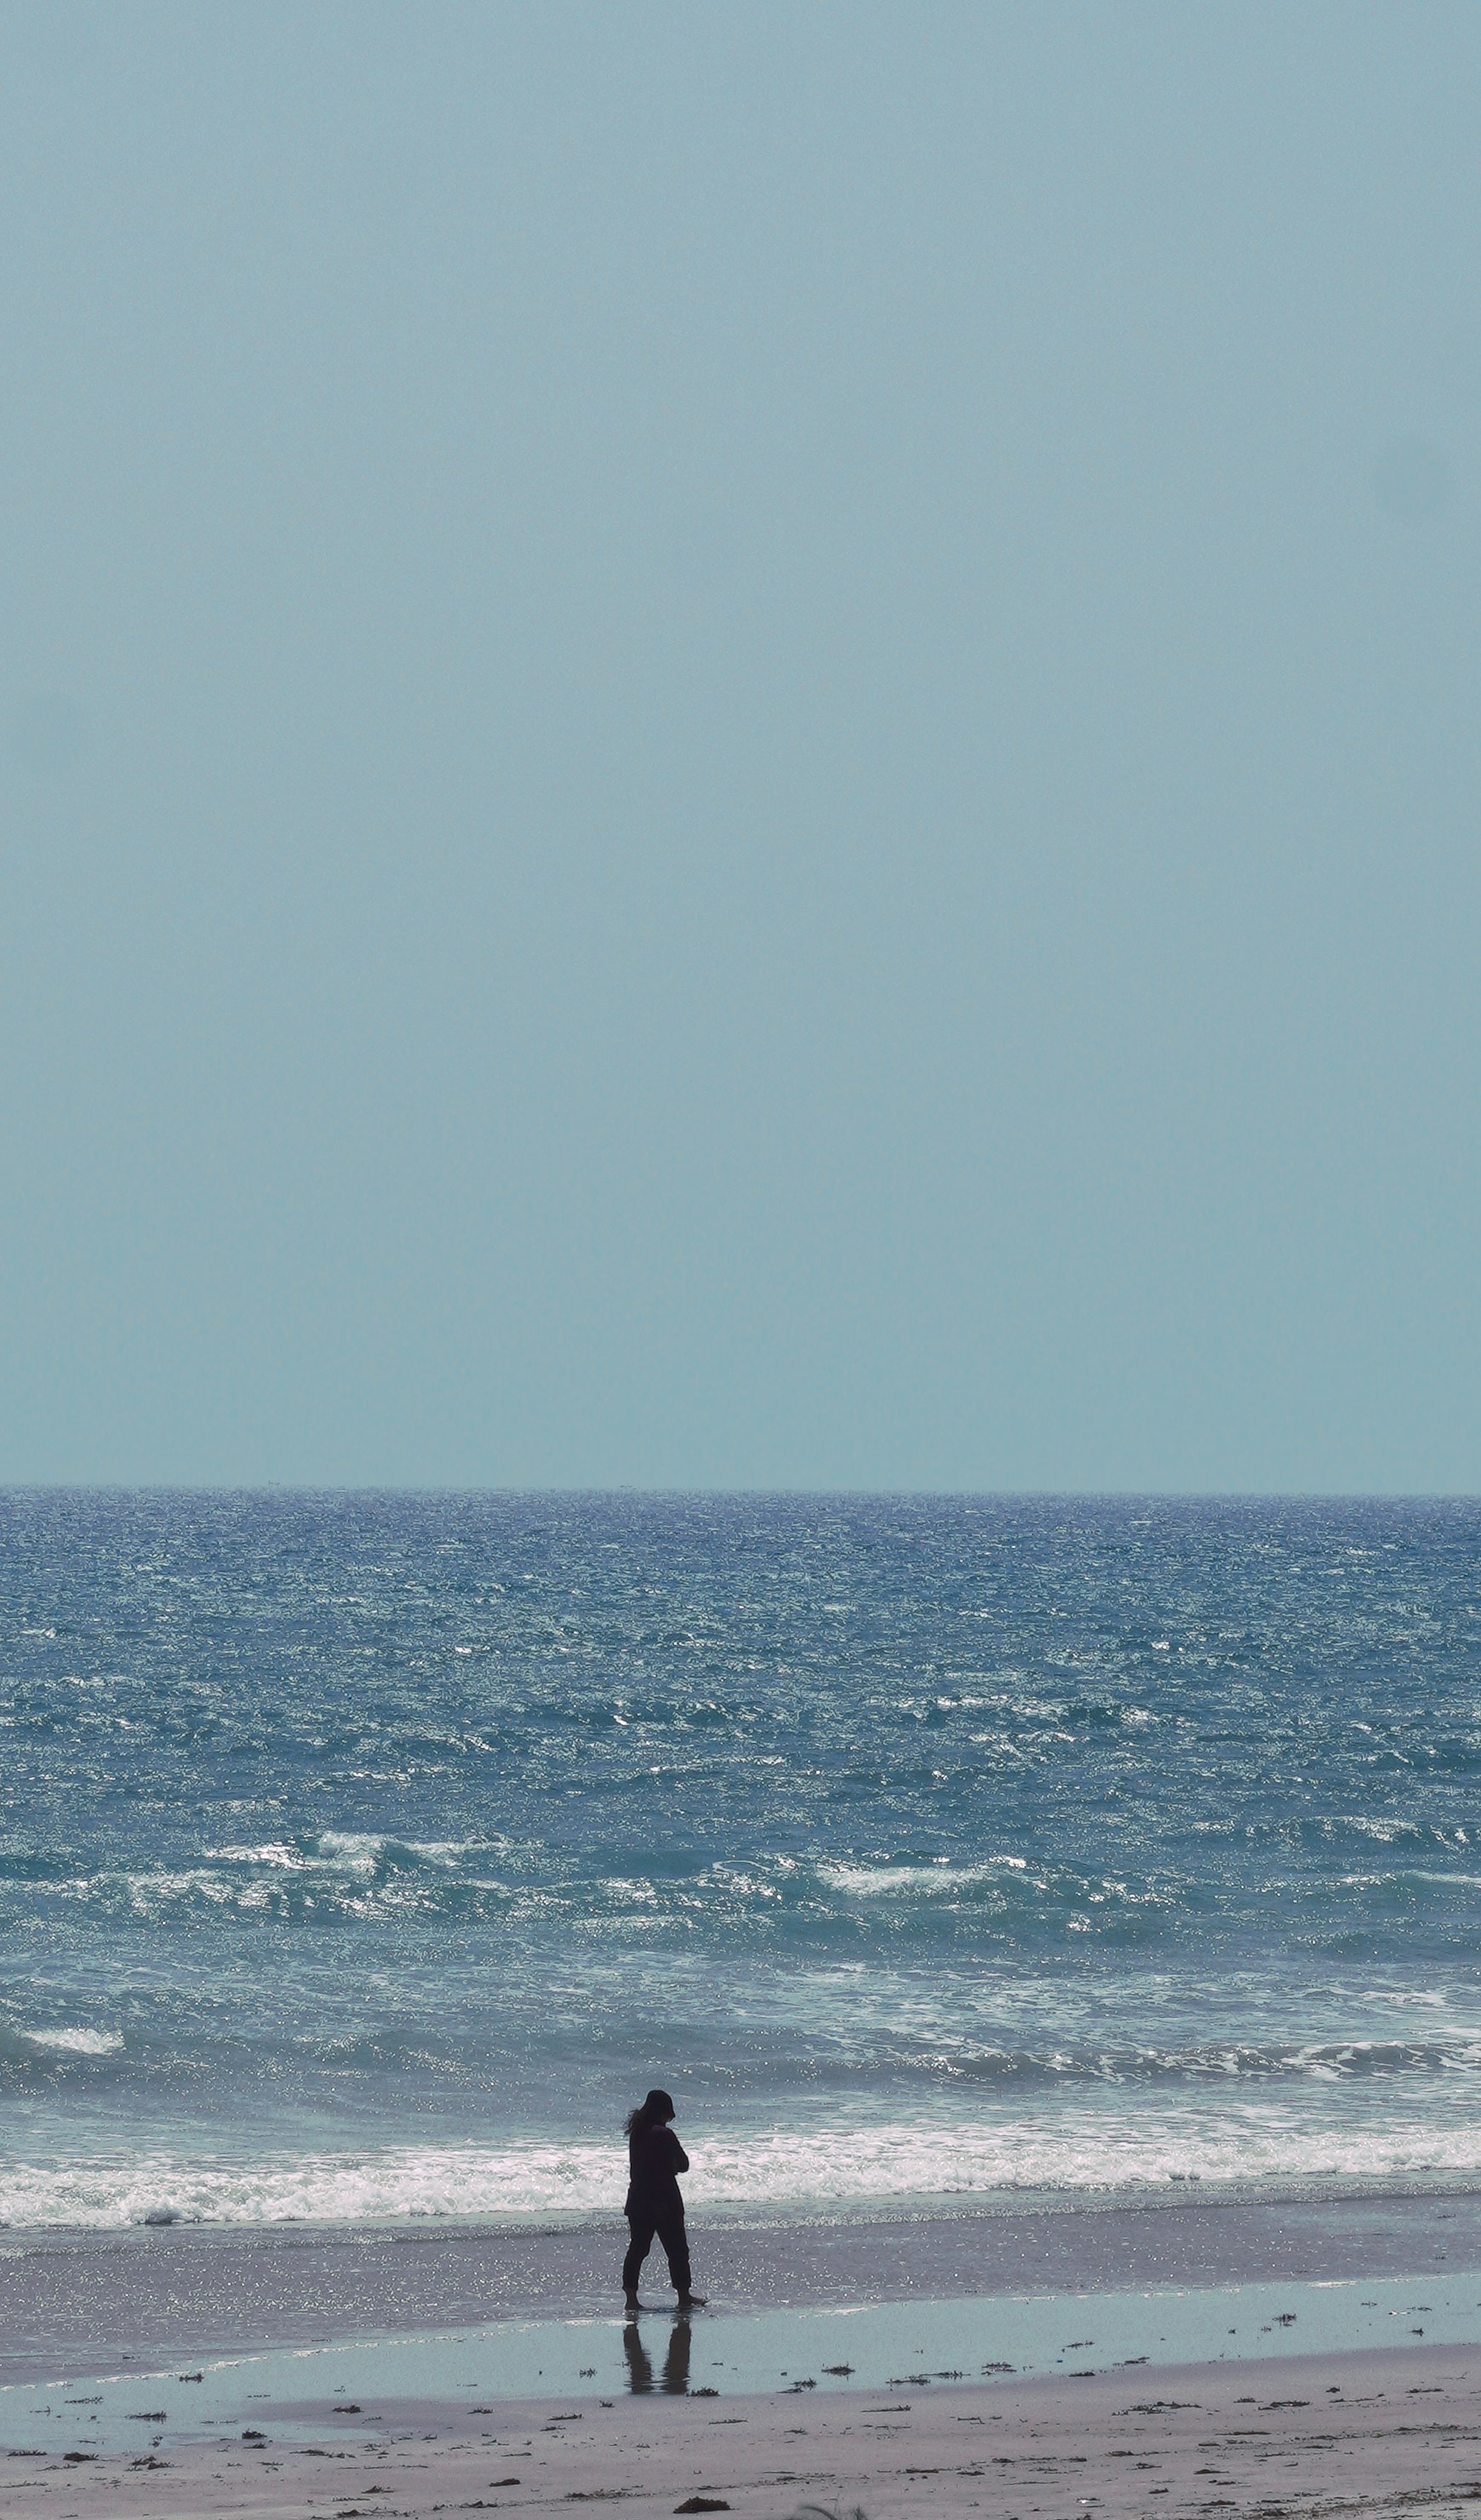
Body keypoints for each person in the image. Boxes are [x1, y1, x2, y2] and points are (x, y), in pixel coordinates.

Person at [621, 2088, 705, 2313]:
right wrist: (672, 2166)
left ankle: (631, 2300)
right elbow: (684, 2164)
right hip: (666, 2201)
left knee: (637, 2251)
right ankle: (684, 2297)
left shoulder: (636, 2133)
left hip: (639, 2200)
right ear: (663, 2111)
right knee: (677, 2251)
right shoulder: (665, 2135)